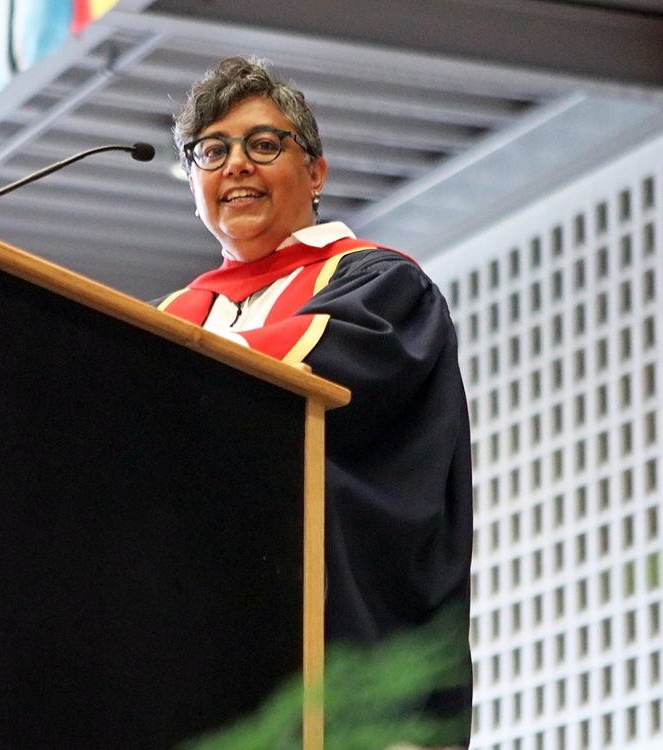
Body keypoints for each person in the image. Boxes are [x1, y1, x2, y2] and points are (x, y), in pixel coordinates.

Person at [158, 56, 474, 746]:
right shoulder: (172, 315)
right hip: (191, 657)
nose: (235, 165)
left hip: (337, 653)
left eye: (262, 144)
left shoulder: (383, 287)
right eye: (211, 151)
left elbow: (311, 375)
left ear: (316, 172)